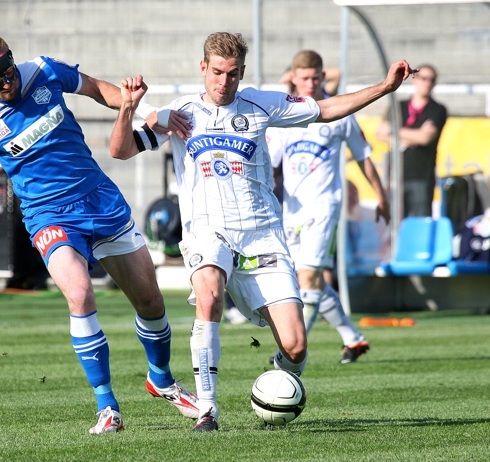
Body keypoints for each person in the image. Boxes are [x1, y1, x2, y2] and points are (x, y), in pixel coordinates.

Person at [110, 32, 415, 431]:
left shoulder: (262, 103)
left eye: (233, 74)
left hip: (261, 234)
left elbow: (326, 109)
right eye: (217, 72)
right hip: (207, 230)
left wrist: (386, 88)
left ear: (243, 72)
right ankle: (207, 409)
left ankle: (277, 378)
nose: (224, 82)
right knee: (209, 296)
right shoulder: (179, 114)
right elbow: (121, 150)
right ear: (203, 68)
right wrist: (127, 110)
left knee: (296, 345)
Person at [0, 33, 198, 434]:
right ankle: (107, 406)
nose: (8, 82)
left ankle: (162, 379)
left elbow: (101, 90)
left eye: (9, 72)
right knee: (80, 294)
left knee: (150, 299)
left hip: (99, 199)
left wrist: (143, 108)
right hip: (48, 215)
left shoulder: (44, 71)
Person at [267, 50, 390, 364]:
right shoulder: (283, 116)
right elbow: (271, 165)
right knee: (304, 280)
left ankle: (291, 355)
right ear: (293, 78)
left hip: (325, 206)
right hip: (292, 209)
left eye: (315, 76)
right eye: (304, 77)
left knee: (308, 278)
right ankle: (354, 339)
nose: (310, 82)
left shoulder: (339, 114)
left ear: (323, 76)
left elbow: (363, 157)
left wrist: (381, 196)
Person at [376, 64, 447, 217]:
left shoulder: (437, 109)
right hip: (395, 175)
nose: (427, 82)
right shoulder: (398, 107)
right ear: (414, 80)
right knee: (396, 225)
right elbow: (380, 133)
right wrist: (412, 136)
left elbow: (424, 138)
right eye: (424, 78)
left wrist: (394, 132)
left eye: (432, 79)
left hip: (421, 177)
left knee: (420, 224)